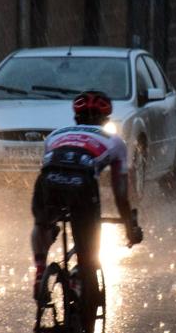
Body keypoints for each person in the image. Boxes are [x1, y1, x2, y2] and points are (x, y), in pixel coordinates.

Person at [31, 91, 143, 330]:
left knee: (41, 224)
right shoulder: (115, 142)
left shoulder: (55, 135)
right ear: (105, 119)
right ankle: (81, 291)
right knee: (89, 259)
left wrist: (49, 223)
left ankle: (40, 269)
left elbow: (51, 166)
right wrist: (129, 225)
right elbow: (120, 193)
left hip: (48, 181)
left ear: (76, 117)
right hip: (82, 185)